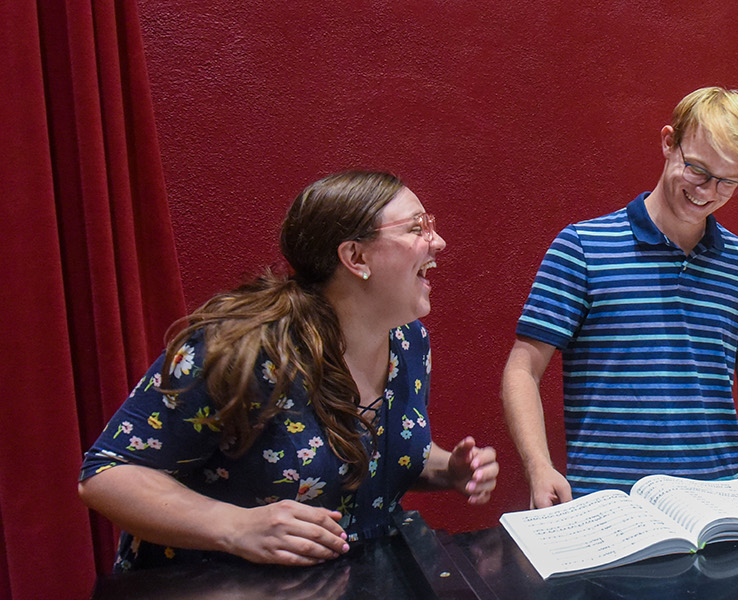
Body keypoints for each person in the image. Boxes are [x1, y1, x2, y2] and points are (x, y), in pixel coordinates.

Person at [77, 171, 500, 571]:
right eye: (416, 228)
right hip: (221, 584)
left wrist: (448, 469)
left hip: (355, 578)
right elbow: (107, 475)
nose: (438, 241)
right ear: (355, 256)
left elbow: (366, 457)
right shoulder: (242, 348)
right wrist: (234, 527)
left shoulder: (409, 342)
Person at [502, 86, 738, 508]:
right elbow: (522, 369)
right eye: (698, 170)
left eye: (728, 182)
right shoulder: (583, 247)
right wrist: (539, 467)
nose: (708, 192)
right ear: (668, 142)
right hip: (608, 505)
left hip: (718, 505)